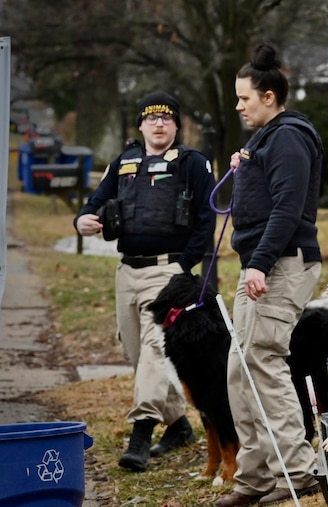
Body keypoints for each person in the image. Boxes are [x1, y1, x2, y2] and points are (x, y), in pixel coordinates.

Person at [74, 91, 216, 472]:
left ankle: (141, 434)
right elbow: (94, 203)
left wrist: (184, 267)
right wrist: (83, 220)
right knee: (137, 355)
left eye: (166, 118)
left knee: (156, 350)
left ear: (176, 125)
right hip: (127, 271)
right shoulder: (123, 162)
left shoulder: (192, 163)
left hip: (168, 272)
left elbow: (207, 218)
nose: (158, 124)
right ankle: (180, 426)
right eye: (151, 118)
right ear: (140, 124)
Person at [213, 44, 324, 507]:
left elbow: (289, 206)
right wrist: (246, 165)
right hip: (260, 262)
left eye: (245, 98)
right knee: (240, 369)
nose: (239, 106)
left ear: (270, 96)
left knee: (263, 359)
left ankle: (296, 470)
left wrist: (259, 263)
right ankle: (254, 476)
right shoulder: (266, 139)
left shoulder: (288, 137)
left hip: (281, 262)